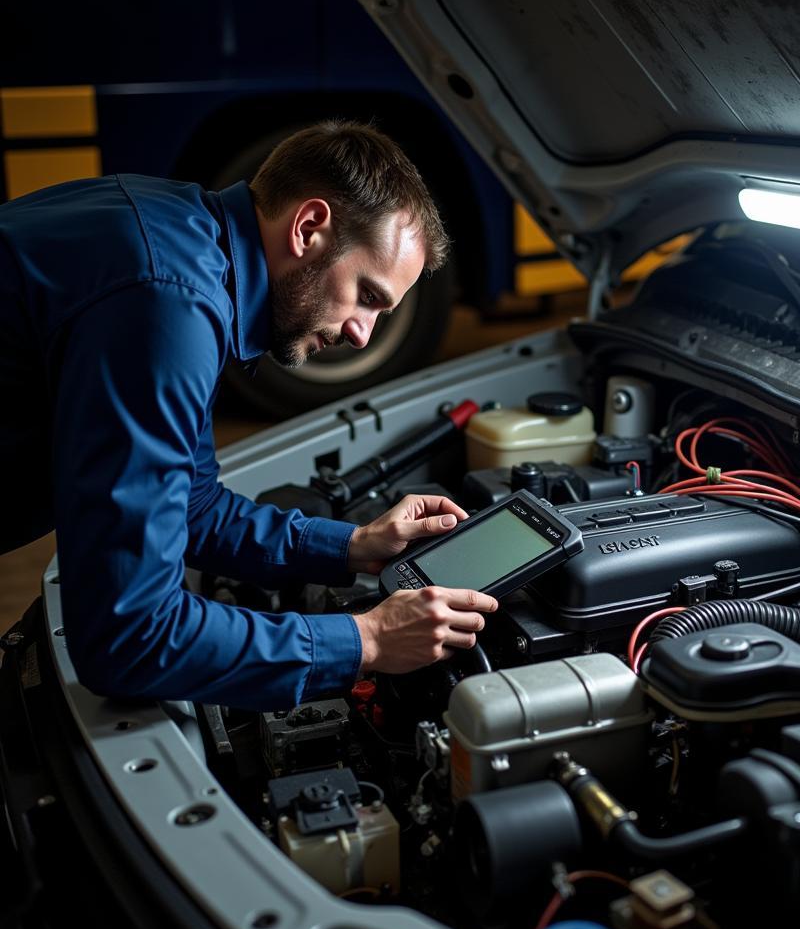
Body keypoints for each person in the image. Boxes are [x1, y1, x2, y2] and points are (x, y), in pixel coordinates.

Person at [0, 119, 498, 710]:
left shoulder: (182, 237)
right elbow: (129, 640)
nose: (364, 336)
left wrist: (354, 546)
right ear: (309, 228)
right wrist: (366, 640)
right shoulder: (168, 301)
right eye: (367, 296)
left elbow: (192, 504)